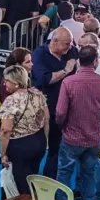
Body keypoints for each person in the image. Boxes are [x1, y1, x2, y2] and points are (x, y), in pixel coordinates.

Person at [55, 45, 100, 200]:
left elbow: (60, 112)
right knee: (89, 177)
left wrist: (62, 125)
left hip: (71, 137)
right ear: (95, 61)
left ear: (79, 61)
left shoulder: (68, 82)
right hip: (93, 138)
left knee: (64, 175)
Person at [32, 28, 78, 179]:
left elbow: (77, 54)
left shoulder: (70, 51)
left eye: (70, 43)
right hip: (42, 109)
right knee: (37, 147)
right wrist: (66, 71)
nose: (69, 47)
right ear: (55, 41)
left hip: (62, 109)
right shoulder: (39, 55)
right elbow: (45, 79)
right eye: (66, 44)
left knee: (56, 147)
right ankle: (30, 177)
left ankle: (50, 178)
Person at [0, 65, 49, 196]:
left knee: (18, 184)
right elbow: (46, 118)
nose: (4, 83)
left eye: (7, 80)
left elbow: (5, 130)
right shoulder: (38, 94)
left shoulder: (11, 101)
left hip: (20, 146)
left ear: (16, 83)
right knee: (32, 177)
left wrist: (3, 154)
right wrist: (44, 140)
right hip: (39, 140)